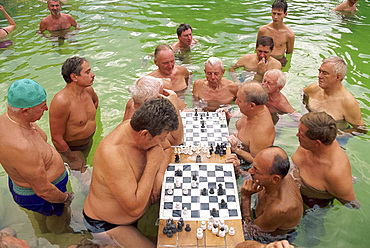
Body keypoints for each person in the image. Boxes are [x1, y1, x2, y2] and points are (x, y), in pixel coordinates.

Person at [83, 98, 179, 248]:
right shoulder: (113, 155)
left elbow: (167, 148)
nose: (165, 140)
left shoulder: (142, 131)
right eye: (162, 137)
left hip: (134, 211)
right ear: (145, 134)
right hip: (107, 224)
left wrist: (158, 176)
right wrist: (153, 165)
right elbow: (134, 209)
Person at [0, 79, 74, 234]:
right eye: (42, 107)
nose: (46, 109)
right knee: (58, 218)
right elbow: (44, 191)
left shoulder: (9, 120)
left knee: (43, 214)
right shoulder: (23, 148)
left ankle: (42, 227)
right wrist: (65, 198)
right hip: (41, 194)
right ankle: (59, 234)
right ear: (25, 111)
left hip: (25, 184)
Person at [290, 112, 360, 209]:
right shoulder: (317, 138)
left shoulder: (335, 173)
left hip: (312, 204)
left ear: (317, 143)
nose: (297, 135)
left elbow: (352, 204)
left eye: (301, 135)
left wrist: (342, 184)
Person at [240, 147, 303, 242]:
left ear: (275, 179)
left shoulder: (279, 209)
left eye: (256, 170)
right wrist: (239, 171)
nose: (250, 171)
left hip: (271, 238)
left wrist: (245, 198)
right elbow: (259, 176)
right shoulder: (282, 178)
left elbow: (248, 231)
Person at [49, 56, 98, 172]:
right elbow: (56, 139)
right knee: (86, 185)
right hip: (73, 149)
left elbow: (95, 102)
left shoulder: (88, 90)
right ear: (74, 77)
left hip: (90, 140)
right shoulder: (61, 102)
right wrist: (71, 159)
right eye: (87, 72)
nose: (93, 75)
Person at [303, 56, 367, 135]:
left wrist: (334, 136)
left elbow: (361, 130)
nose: (319, 76)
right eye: (320, 71)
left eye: (325, 73)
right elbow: (303, 98)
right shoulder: (312, 89)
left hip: (333, 138)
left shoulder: (348, 102)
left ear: (338, 77)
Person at [122, 75, 185, 146]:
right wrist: (174, 103)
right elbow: (176, 141)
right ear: (149, 101)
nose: (163, 97)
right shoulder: (147, 118)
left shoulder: (132, 102)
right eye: (160, 95)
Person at [226, 82, 275, 165]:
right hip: (237, 141)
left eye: (239, 100)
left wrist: (236, 149)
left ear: (252, 105)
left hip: (244, 162)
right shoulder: (254, 109)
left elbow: (256, 160)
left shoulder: (261, 132)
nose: (236, 102)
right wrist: (230, 116)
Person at [257, 0, 295, 67]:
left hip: (279, 61)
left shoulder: (289, 34)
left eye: (279, 14)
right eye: (274, 13)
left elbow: (289, 54)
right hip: (264, 59)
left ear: (285, 14)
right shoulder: (263, 30)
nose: (275, 17)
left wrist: (286, 67)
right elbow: (257, 49)